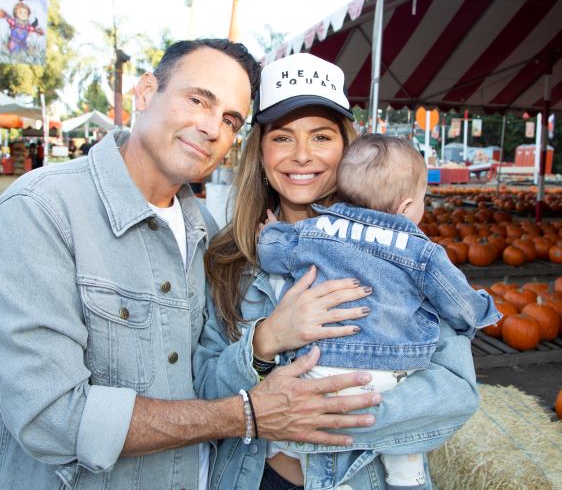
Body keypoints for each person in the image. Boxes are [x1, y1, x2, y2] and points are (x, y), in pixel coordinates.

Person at [0, 39, 382, 490]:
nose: (211, 127)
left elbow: (201, 373)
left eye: (230, 120)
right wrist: (246, 413)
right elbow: (50, 418)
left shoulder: (207, 232)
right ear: (146, 92)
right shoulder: (43, 210)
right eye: (197, 100)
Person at [194, 52, 481, 489]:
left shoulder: (396, 250)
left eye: (322, 136)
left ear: (348, 149)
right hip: (257, 478)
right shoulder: (228, 258)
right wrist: (266, 340)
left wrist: (312, 419)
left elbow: (455, 390)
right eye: (283, 138)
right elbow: (204, 386)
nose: (302, 156)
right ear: (261, 151)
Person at [258, 132, 500, 489]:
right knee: (405, 431)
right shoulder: (421, 251)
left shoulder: (312, 231)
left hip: (321, 365)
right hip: (391, 370)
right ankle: (407, 476)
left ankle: (296, 453)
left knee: (304, 418)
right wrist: (481, 312)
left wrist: (270, 234)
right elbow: (457, 299)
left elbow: (274, 252)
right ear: (405, 208)